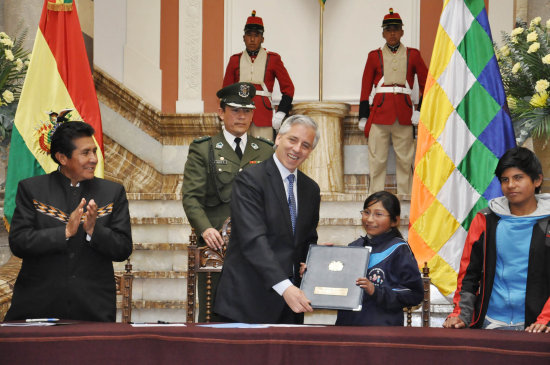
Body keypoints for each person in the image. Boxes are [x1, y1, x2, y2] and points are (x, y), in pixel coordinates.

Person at [5, 121, 132, 322]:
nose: (93, 159)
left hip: (93, 310)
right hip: (36, 307)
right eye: (85, 153)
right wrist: (64, 232)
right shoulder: (32, 189)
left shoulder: (112, 193)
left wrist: (93, 230)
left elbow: (123, 249)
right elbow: (19, 242)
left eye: (94, 151)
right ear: (62, 157)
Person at [214, 115, 321, 324]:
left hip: (290, 306)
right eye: (293, 140)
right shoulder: (250, 180)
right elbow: (253, 241)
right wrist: (285, 287)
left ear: (310, 152)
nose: (297, 149)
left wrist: (314, 259)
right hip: (248, 302)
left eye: (305, 145)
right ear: (278, 138)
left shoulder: (311, 189)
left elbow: (307, 238)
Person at [182, 82, 274, 322]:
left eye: (246, 111)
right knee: (214, 312)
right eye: (235, 110)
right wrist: (205, 228)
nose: (241, 116)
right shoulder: (204, 149)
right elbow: (191, 196)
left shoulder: (265, 151)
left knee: (254, 310)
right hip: (217, 245)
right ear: (221, 113)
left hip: (255, 243)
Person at [443, 147, 550, 333]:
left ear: (537, 180)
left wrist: (545, 319)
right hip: (490, 322)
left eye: (518, 178)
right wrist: (460, 314)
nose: (510, 185)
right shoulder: (485, 219)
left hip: (538, 326)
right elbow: (469, 274)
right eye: (505, 180)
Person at [358, 8, 428, 196]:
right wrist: (363, 116)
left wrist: (420, 110)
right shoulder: (374, 56)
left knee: (405, 161)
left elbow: (427, 84)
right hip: (379, 114)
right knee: (377, 160)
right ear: (383, 33)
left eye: (396, 29)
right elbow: (365, 87)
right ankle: (375, 200)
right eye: (388, 30)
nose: (392, 33)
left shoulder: (413, 54)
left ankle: (406, 201)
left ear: (402, 32)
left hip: (404, 115)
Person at [335, 191, 423, 326]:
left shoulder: (399, 249)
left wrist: (376, 291)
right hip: (347, 327)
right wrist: (315, 270)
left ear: (395, 221)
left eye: (378, 214)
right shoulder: (354, 247)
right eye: (366, 212)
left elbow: (414, 294)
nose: (369, 219)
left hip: (382, 332)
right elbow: (339, 284)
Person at [223, 10, 295, 141]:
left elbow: (289, 88)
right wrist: (227, 115)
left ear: (262, 38)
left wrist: (281, 113)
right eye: (249, 35)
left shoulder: (273, 59)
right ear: (243, 37)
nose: (252, 39)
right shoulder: (234, 60)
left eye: (256, 35)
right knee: (237, 155)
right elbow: (226, 92)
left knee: (263, 156)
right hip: (238, 116)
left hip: (263, 117)